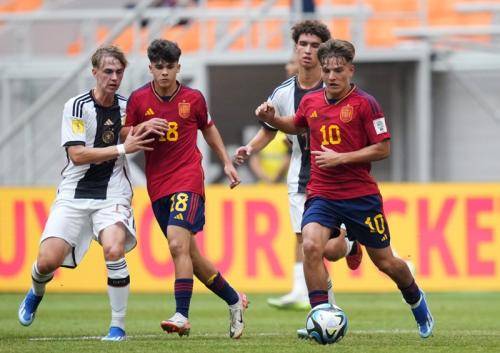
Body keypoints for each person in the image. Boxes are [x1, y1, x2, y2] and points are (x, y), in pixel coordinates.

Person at [255, 38, 434, 339]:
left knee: (387, 263)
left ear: (350, 70)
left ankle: (417, 300)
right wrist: (272, 119)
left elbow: (383, 148)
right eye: (327, 71)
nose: (331, 76)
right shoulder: (311, 101)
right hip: (322, 193)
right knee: (311, 245)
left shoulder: (366, 104)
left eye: (338, 70)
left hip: (360, 197)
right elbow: (296, 124)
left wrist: (342, 158)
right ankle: (319, 316)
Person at [18, 45, 154, 341]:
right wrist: (122, 147)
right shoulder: (76, 106)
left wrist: (151, 127)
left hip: (113, 193)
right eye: (107, 71)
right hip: (74, 194)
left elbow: (133, 132)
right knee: (47, 262)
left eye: (119, 72)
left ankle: (117, 326)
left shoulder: (126, 106)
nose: (114, 77)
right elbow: (77, 155)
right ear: (94, 73)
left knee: (114, 249)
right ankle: (35, 291)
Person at [123, 39, 248, 339]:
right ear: (151, 68)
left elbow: (208, 127)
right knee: (191, 257)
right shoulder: (139, 100)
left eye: (170, 67)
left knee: (177, 245)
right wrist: (143, 127)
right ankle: (234, 300)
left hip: (188, 178)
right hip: (157, 185)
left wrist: (226, 163)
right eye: (159, 67)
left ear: (179, 67)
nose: (164, 73)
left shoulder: (193, 98)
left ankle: (181, 315)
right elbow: (125, 133)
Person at [234, 20, 363, 311]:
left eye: (314, 46)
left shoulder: (336, 86)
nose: (307, 51)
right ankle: (326, 312)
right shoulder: (283, 92)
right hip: (301, 177)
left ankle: (352, 244)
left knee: (331, 250)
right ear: (295, 48)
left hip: (337, 178)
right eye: (302, 45)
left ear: (324, 51)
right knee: (308, 245)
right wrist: (250, 147)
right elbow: (270, 125)